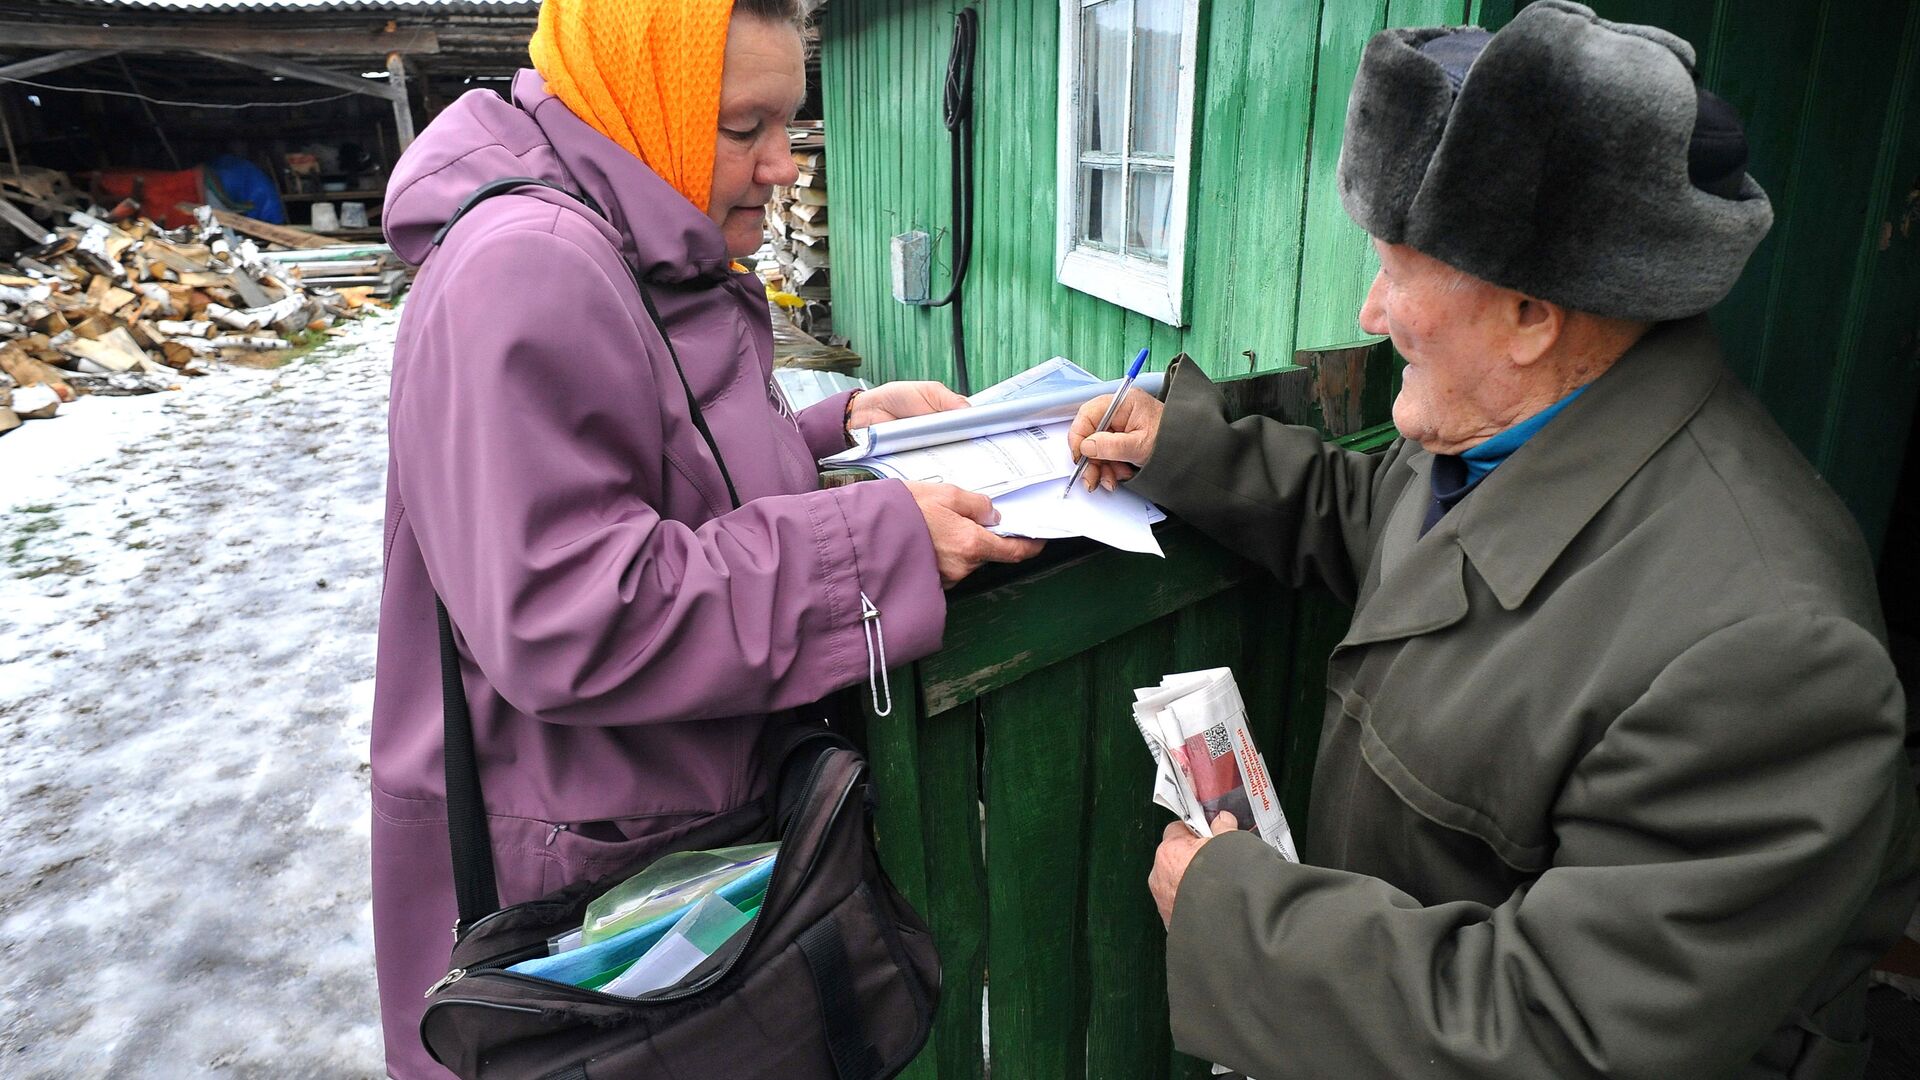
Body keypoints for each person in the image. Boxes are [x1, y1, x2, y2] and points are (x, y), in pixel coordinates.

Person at [1069, 4, 1919, 1077]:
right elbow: (1378, 518)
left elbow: (1568, 1033)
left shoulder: (1769, 652)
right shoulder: (1509, 428)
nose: (1371, 309)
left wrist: (1243, 918)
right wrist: (1182, 453)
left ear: (1532, 313)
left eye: (1397, 265)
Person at [369, 1, 1040, 1076]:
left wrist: (840, 430)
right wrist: (866, 546)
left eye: (790, 123)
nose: (782, 163)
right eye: (746, 129)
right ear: (647, 100)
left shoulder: (630, 237)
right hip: (584, 906)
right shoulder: (529, 266)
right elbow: (572, 612)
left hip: (649, 850)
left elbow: (653, 466)